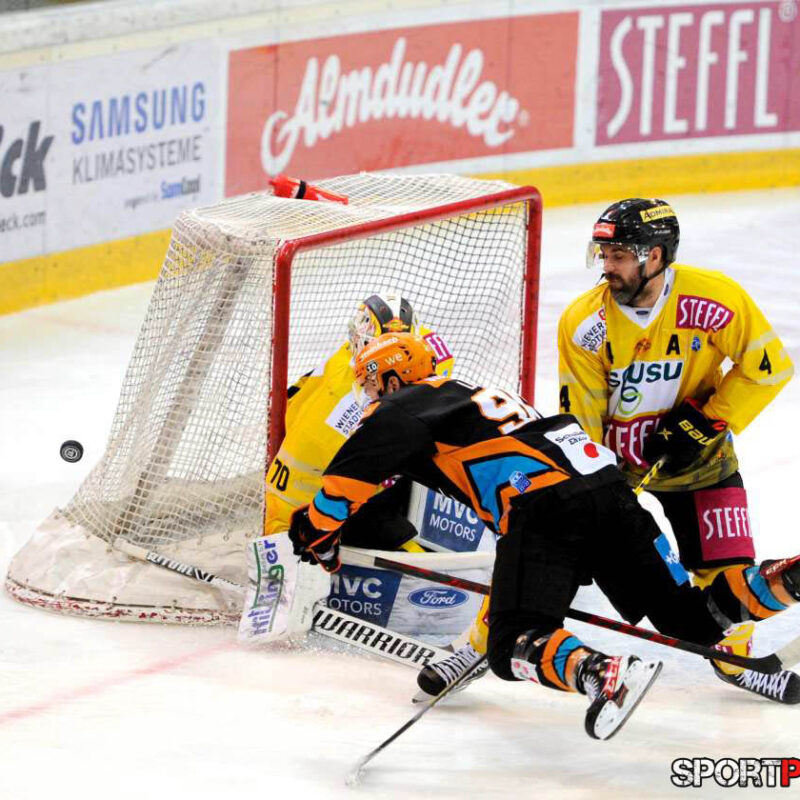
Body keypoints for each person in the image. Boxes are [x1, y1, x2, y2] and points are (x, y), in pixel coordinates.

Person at [288, 332, 800, 739]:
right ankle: (789, 580)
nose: (369, 396)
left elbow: (343, 485)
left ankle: (600, 673)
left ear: (393, 376)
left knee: (514, 640)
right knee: (693, 619)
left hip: (544, 508)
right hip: (609, 491)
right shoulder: (472, 397)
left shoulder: (403, 407)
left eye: (371, 383)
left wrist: (314, 532)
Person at [555, 197, 796, 702]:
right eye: (604, 254)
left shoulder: (715, 299)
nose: (607, 266)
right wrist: (592, 488)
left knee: (730, 572)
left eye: (619, 255)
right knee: (548, 556)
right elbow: (582, 414)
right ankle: (490, 639)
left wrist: (708, 421)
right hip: (620, 469)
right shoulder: (585, 323)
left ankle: (735, 661)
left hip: (703, 463)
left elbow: (768, 367)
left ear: (656, 255)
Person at [238, 292, 453, 642]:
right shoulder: (334, 416)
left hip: (360, 466)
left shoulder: (408, 354)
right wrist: (286, 549)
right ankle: (414, 565)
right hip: (319, 493)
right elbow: (290, 490)